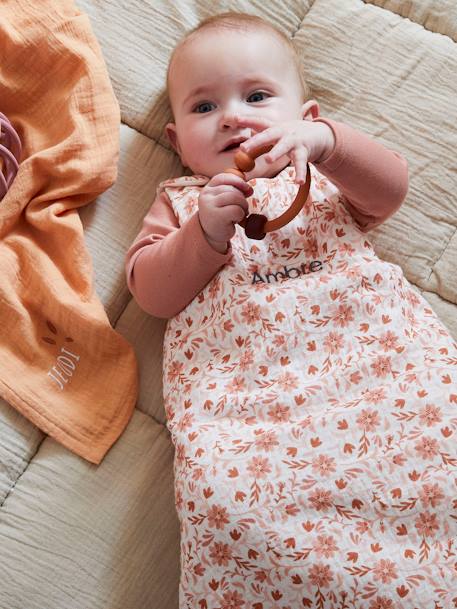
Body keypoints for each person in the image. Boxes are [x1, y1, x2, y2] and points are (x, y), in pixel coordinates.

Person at [126, 12, 457, 609]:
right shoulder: (181, 203)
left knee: (440, 411)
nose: (231, 115)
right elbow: (151, 292)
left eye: (256, 96)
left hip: (377, 375)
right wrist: (202, 234)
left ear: (304, 117)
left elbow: (391, 188)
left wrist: (329, 144)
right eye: (203, 108)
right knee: (220, 493)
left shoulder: (325, 175)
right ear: (176, 142)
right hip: (249, 412)